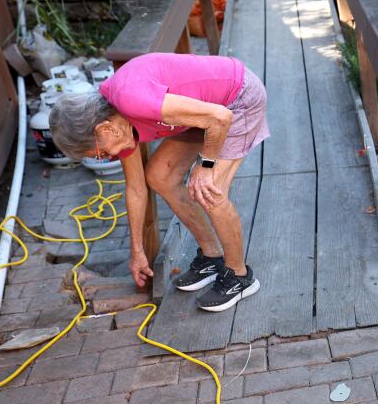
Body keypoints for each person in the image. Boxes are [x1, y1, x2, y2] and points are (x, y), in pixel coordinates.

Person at [49, 52, 268, 312]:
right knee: (158, 175)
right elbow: (136, 189)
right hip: (207, 114)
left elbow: (220, 117)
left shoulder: (133, 101)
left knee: (210, 190)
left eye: (98, 153)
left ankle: (239, 276)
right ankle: (212, 257)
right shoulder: (118, 123)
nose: (105, 158)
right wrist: (137, 251)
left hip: (238, 100)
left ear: (103, 130)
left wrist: (205, 165)